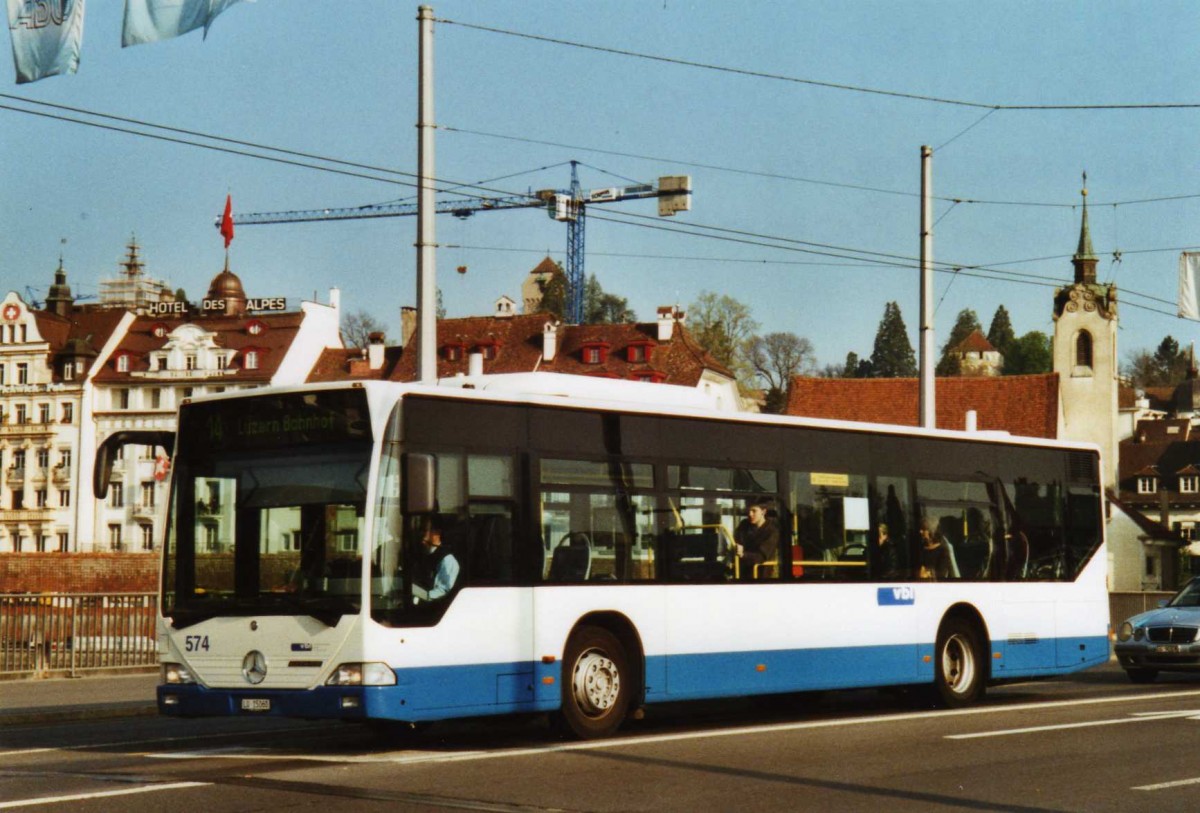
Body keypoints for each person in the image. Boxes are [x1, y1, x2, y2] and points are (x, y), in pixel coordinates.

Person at [412, 516, 460, 601]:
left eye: (425, 530)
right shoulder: (419, 554)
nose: (421, 533)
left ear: (437, 533)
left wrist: (420, 595)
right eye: (420, 530)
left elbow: (442, 591)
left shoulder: (447, 560)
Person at [732, 497, 779, 579]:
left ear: (763, 512)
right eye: (748, 511)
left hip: (761, 575)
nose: (750, 514)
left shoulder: (772, 531)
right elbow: (737, 542)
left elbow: (761, 556)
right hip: (741, 573)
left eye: (754, 511)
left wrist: (743, 554)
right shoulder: (744, 525)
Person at [917, 516, 953, 581]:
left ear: (931, 531)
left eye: (924, 529)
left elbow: (942, 573)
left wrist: (928, 574)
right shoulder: (921, 548)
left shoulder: (943, 550)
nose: (920, 531)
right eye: (920, 529)